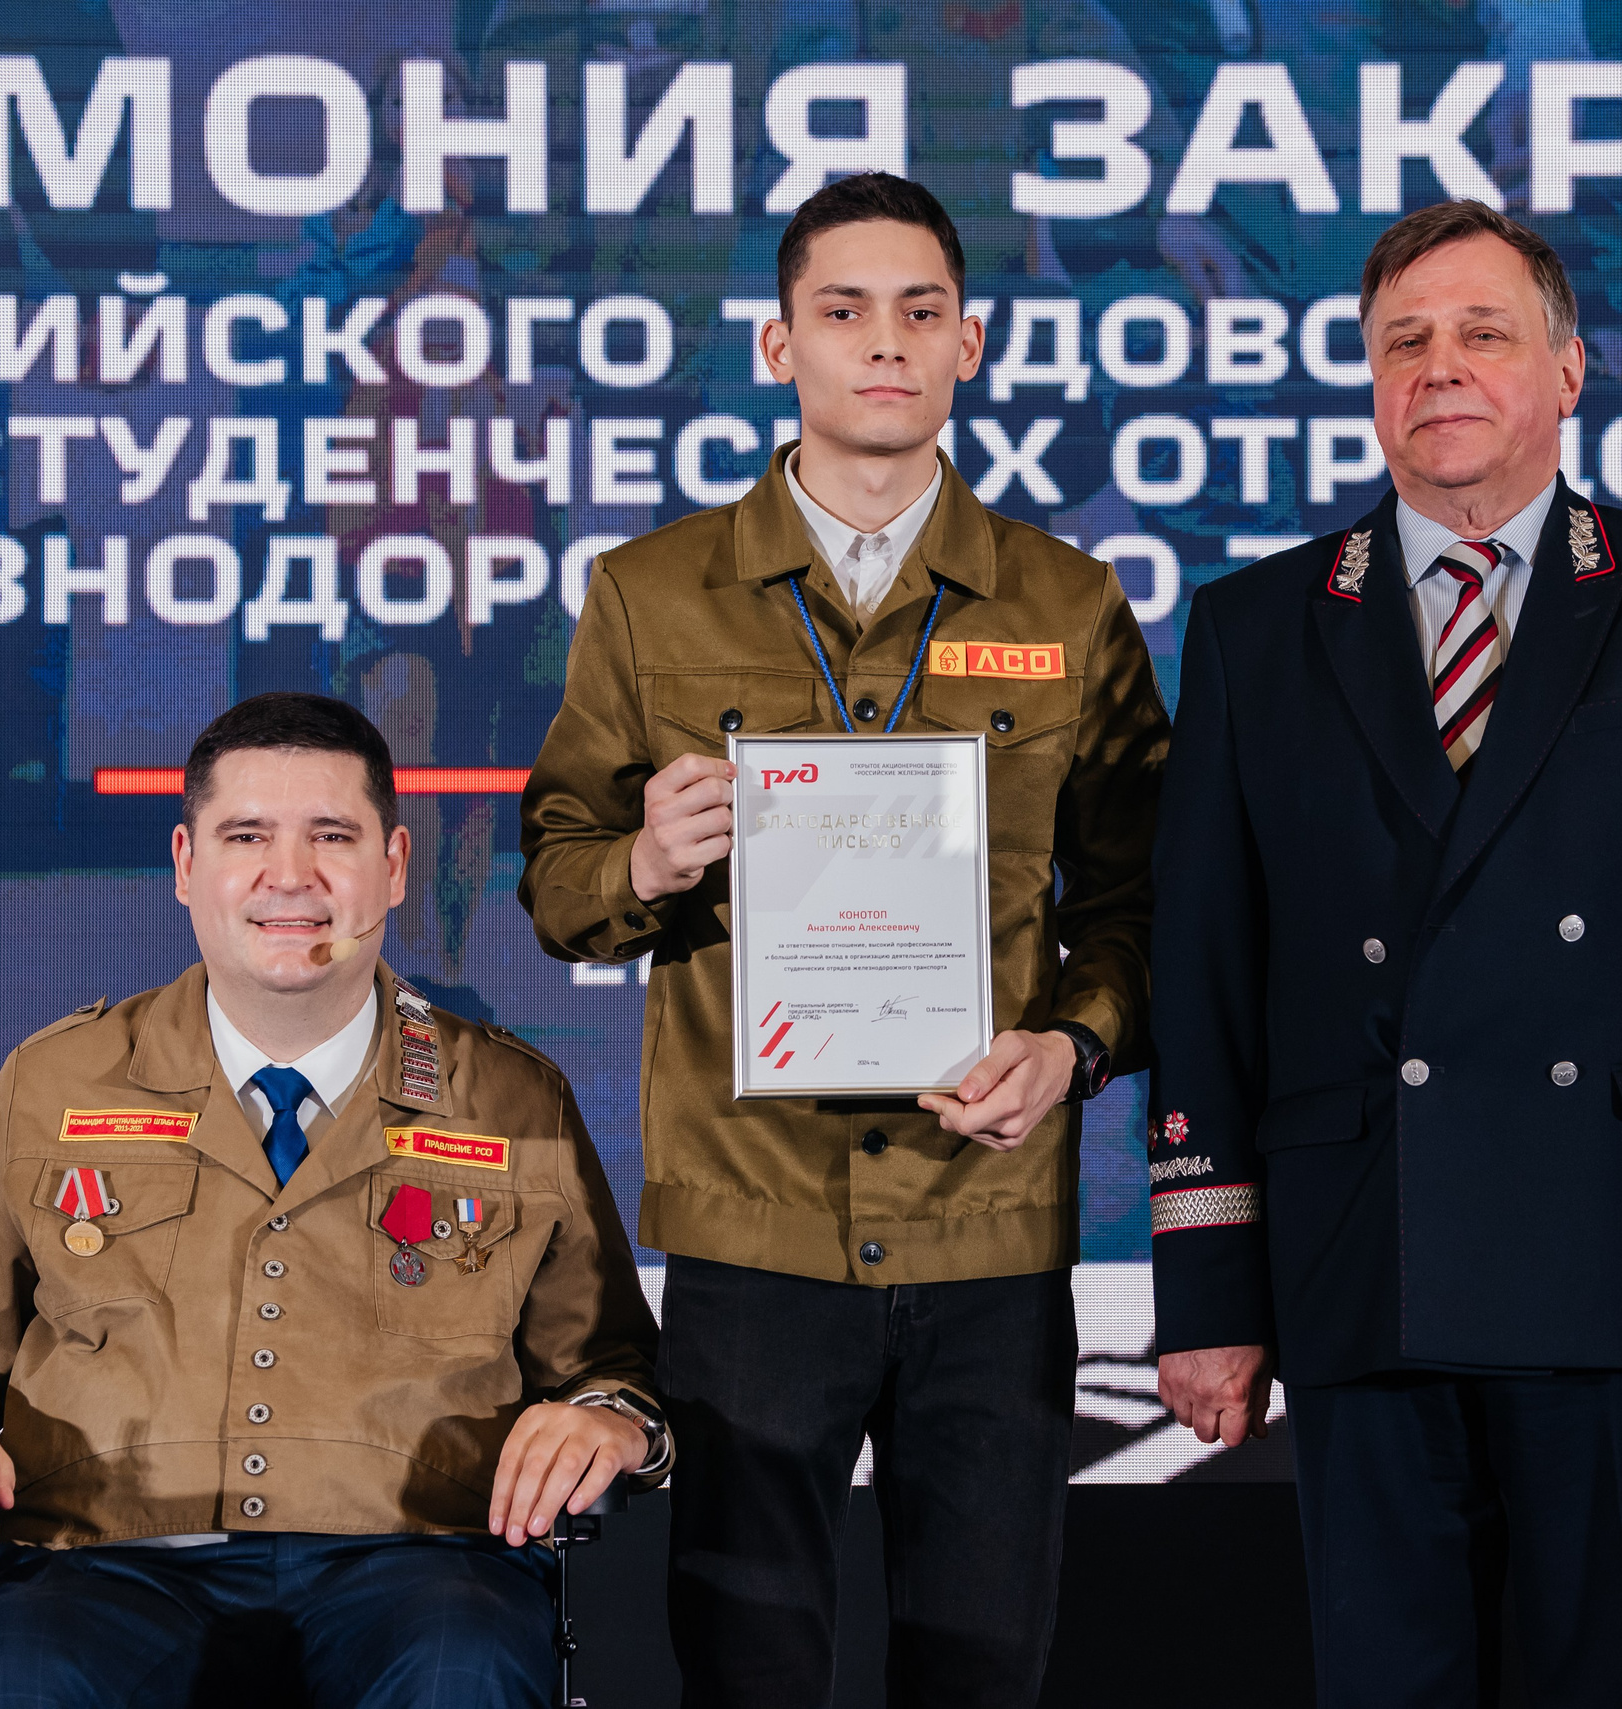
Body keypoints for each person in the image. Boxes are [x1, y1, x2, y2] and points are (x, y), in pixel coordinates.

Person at [1148, 199, 1622, 1708]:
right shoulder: (1252, 627)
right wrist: (1210, 1293)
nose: (1442, 367)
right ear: (1368, 384)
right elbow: (1204, 978)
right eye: (1404, 342)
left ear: (1568, 372)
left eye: (1486, 333)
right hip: (1366, 1263)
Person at [519, 172, 1170, 1709]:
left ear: (971, 347)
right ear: (776, 346)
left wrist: (1072, 1046)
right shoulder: (648, 590)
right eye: (844, 309)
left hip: (988, 1226)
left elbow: (1139, 905)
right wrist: (647, 858)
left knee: (981, 1668)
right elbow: (558, 882)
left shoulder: (1071, 604)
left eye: (921, 311)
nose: (886, 342)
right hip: (755, 1234)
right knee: (748, 1672)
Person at [0, 692, 667, 1709]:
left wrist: (607, 1420)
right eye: (247, 835)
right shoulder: (56, 1081)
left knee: (467, 1675)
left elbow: (611, 1367)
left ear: (395, 864)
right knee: (16, 1681)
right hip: (100, 1557)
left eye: (332, 836)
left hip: (420, 1560)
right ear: (187, 864)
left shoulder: (512, 1095)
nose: (291, 875)